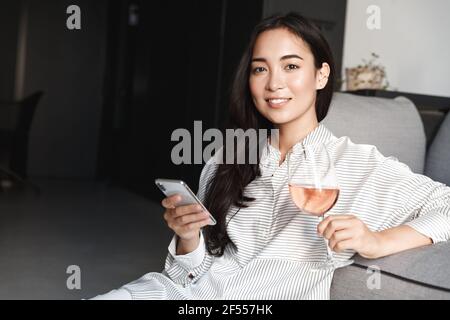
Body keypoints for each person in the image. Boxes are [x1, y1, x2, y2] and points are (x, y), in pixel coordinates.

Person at [92, 12, 450, 300]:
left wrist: (378, 241)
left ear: (321, 75)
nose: (273, 83)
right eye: (260, 68)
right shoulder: (227, 157)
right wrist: (187, 237)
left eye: (291, 66)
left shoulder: (359, 164)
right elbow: (187, 275)